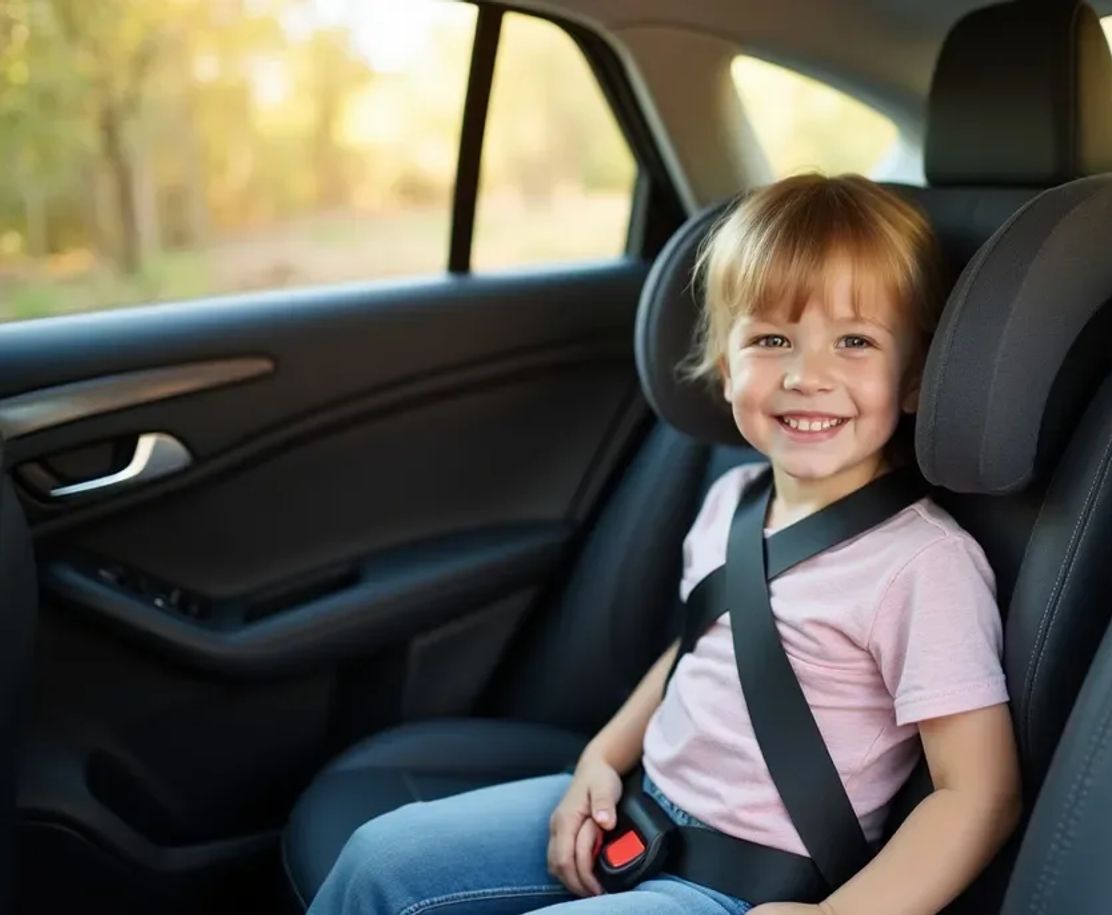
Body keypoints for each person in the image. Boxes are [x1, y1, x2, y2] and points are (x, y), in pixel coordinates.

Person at [308, 173, 1020, 915]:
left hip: (738, 886)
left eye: (855, 342)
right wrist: (601, 757)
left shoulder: (922, 565)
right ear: (727, 369)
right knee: (377, 858)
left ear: (915, 379)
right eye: (772, 339)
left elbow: (978, 794)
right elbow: (697, 650)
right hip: (639, 809)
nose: (808, 375)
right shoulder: (733, 500)